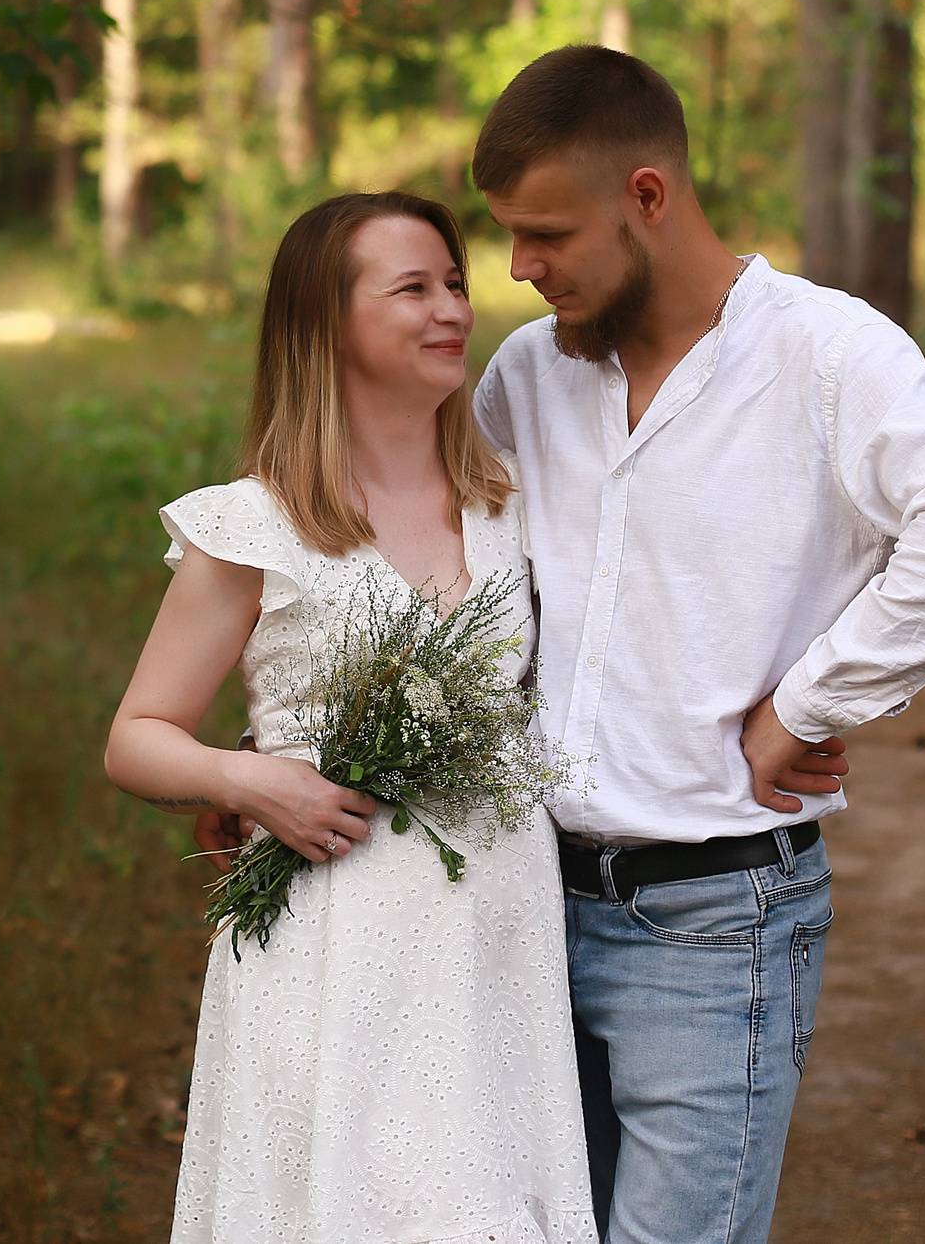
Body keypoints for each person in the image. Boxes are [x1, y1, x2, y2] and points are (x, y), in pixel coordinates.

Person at [467, 45, 925, 1244]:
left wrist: (813, 697)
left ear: (646, 195)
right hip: (520, 908)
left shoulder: (826, 355)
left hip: (714, 918)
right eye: (509, 238)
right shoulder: (527, 373)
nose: (520, 270)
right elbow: (442, 580)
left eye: (544, 235)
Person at [104, 192, 596, 1244]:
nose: (452, 308)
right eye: (411, 287)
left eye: (455, 282)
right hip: (335, 936)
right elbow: (137, 733)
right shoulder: (255, 523)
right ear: (325, 322)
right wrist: (247, 780)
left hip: (494, 928)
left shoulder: (505, 500)